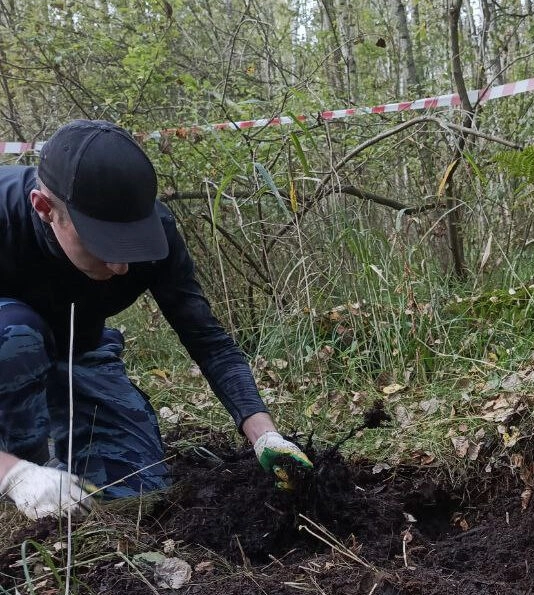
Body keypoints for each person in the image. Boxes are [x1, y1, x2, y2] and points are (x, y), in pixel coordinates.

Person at [0, 119, 313, 520]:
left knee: (136, 493)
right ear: (44, 208)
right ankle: (23, 466)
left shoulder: (156, 233)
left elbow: (208, 341)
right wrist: (14, 475)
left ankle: (56, 458)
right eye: (102, 244)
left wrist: (264, 434)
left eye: (130, 245)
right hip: (10, 351)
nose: (120, 266)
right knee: (16, 337)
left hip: (81, 350)